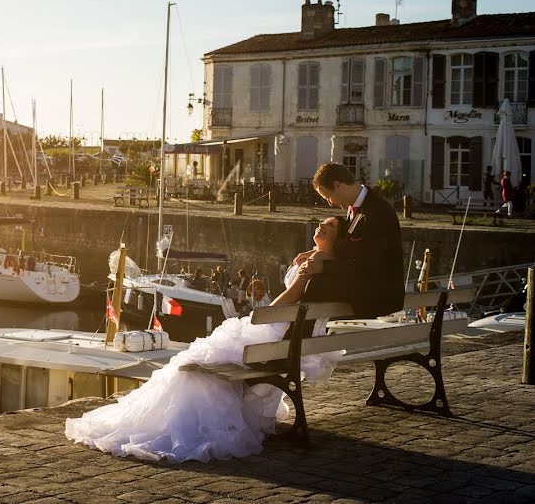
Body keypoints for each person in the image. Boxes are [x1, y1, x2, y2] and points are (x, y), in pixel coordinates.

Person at [65, 216, 348, 462]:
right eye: (322, 223)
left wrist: (269, 306)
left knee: (192, 365)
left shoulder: (318, 259)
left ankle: (174, 424)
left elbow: (287, 300)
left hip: (274, 334)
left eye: (331, 226)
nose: (322, 226)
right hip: (286, 340)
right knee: (199, 360)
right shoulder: (322, 259)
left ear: (339, 237)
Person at [294, 162, 403, 319]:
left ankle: (297, 338)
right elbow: (352, 250)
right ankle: (300, 334)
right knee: (315, 280)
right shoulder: (355, 208)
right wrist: (317, 253)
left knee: (318, 285)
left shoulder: (378, 212)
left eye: (328, 197)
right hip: (364, 282)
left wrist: (323, 266)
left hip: (378, 292)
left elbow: (370, 264)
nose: (330, 203)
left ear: (338, 185)